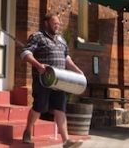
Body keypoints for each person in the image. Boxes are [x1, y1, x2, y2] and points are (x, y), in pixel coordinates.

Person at [20, 13, 84, 148]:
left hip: (60, 81)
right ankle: (28, 130)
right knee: (39, 107)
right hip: (43, 80)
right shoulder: (37, 36)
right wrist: (38, 66)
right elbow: (25, 54)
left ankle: (66, 141)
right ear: (46, 23)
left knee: (60, 109)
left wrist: (76, 69)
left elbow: (66, 57)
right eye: (54, 23)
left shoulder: (61, 40)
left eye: (58, 24)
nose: (57, 26)